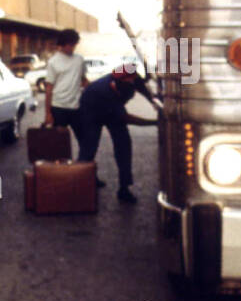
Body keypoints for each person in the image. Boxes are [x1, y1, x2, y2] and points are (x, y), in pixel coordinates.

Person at [76, 64, 157, 204]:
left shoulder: (132, 78)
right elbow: (126, 118)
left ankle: (124, 189)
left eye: (133, 80)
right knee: (89, 147)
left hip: (113, 110)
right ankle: (83, 183)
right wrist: (154, 122)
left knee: (124, 146)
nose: (132, 83)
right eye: (129, 82)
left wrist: (155, 104)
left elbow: (144, 90)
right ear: (120, 80)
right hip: (91, 112)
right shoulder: (105, 90)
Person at [43, 28, 87, 133]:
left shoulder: (79, 59)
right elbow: (49, 89)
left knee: (85, 139)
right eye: (70, 45)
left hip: (77, 107)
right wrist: (48, 114)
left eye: (74, 45)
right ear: (62, 44)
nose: (73, 48)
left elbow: (84, 80)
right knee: (59, 143)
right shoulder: (53, 62)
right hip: (58, 108)